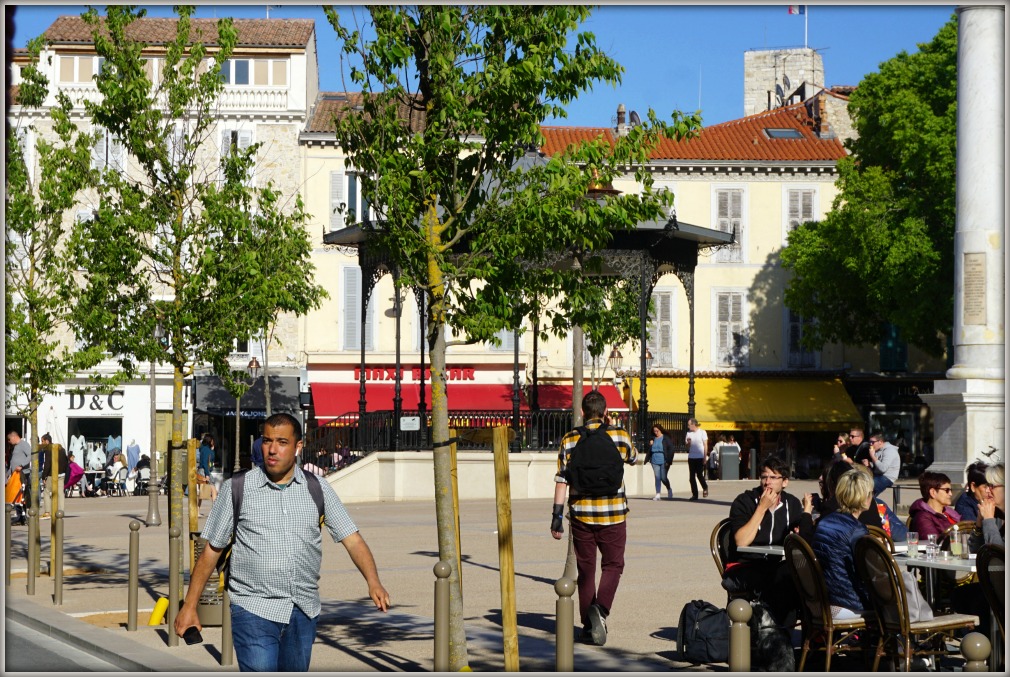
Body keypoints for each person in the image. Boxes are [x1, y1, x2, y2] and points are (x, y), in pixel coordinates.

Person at [174, 413, 389, 671]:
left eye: (282, 442)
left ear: (298, 447)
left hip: (303, 608)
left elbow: (352, 539)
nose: (272, 449)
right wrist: (190, 605)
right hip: (253, 608)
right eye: (267, 441)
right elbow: (212, 549)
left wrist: (373, 581)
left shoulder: (317, 488)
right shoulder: (238, 488)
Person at [550, 389, 637, 646]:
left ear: (581, 412)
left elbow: (561, 480)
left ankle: (588, 626)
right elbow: (632, 458)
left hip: (581, 515)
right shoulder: (619, 435)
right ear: (606, 412)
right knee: (613, 565)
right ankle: (601, 610)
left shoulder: (569, 439)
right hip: (613, 514)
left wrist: (556, 516)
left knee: (586, 570)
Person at [723, 455, 814, 626]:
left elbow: (801, 540)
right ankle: (774, 632)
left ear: (784, 482)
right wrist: (762, 508)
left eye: (773, 477)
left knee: (799, 576)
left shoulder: (791, 504)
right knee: (784, 582)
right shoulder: (745, 501)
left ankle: (785, 633)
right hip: (744, 565)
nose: (767, 482)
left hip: (774, 564)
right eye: (764, 477)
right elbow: (741, 541)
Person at [811, 467, 874, 620]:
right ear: (865, 497)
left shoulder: (825, 522)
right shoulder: (856, 530)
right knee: (897, 601)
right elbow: (870, 571)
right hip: (848, 602)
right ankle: (901, 643)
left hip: (823, 599)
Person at [907, 471, 961, 542]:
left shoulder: (950, 514)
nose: (950, 494)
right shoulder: (922, 518)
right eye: (947, 490)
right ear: (933, 492)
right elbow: (933, 544)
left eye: (951, 490)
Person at [969, 463, 1004, 550]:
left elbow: (998, 558)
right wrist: (979, 524)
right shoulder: (996, 513)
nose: (988, 491)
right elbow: (975, 551)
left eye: (992, 486)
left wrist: (989, 520)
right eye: (987, 486)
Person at [39, 433, 68, 516]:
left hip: (52, 474)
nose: (42, 443)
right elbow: (66, 461)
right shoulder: (60, 448)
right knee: (60, 493)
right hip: (61, 474)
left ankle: (47, 511)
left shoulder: (48, 449)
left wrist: (44, 476)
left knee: (46, 492)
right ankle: (61, 511)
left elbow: (47, 463)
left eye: (42, 441)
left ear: (47, 441)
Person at [865, 433, 900, 498]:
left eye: (872, 442)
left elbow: (883, 468)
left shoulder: (890, 451)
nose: (871, 444)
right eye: (869, 442)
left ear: (880, 442)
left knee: (867, 488)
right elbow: (877, 466)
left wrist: (873, 456)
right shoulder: (878, 451)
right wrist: (869, 464)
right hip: (877, 476)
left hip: (887, 477)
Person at [648, 423, 674, 500]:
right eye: (654, 431)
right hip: (654, 460)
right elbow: (648, 448)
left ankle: (669, 489)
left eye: (657, 431)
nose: (656, 433)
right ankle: (658, 494)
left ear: (660, 430)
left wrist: (669, 460)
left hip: (663, 460)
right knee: (657, 477)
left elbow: (671, 449)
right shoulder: (652, 438)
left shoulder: (665, 438)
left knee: (663, 478)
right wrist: (650, 444)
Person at [685, 418, 709, 500]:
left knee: (699, 474)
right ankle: (695, 494)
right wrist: (688, 443)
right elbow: (687, 447)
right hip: (691, 457)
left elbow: (705, 445)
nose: (688, 427)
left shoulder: (702, 432)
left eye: (689, 425)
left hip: (700, 456)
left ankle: (705, 487)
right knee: (691, 477)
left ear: (693, 425)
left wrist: (705, 458)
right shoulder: (688, 433)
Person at [197, 434, 218, 506]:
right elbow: (206, 463)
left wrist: (212, 450)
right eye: (212, 440)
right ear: (210, 441)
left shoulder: (204, 448)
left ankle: (197, 511)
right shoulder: (206, 450)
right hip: (205, 471)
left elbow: (210, 461)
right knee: (213, 490)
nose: (213, 442)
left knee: (202, 492)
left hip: (202, 470)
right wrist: (207, 474)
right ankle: (215, 510)